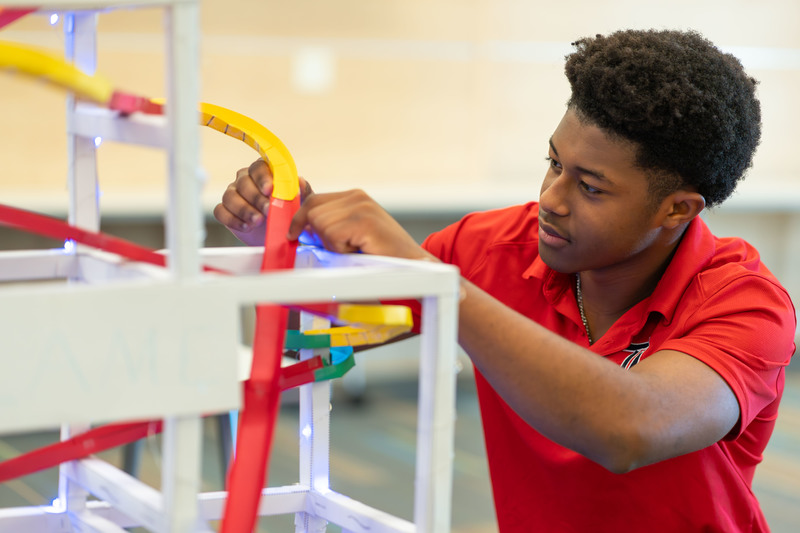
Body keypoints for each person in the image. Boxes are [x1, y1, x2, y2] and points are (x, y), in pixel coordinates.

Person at [214, 29, 796, 532]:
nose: (551, 199)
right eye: (554, 164)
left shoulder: (746, 304)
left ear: (676, 210)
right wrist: (282, 247)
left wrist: (438, 284)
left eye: (590, 187)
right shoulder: (492, 248)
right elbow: (323, 330)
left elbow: (630, 428)